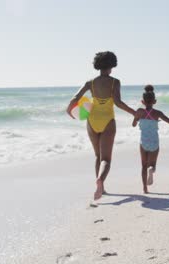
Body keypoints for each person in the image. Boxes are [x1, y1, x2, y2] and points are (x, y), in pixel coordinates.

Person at [66, 51, 135, 200]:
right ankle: (101, 180)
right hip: (108, 120)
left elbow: (74, 99)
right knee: (106, 159)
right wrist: (134, 113)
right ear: (112, 64)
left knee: (98, 156)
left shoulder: (90, 83)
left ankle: (101, 188)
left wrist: (69, 111)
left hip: (92, 120)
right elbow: (118, 102)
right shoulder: (114, 82)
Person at [132, 85, 169, 194]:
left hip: (143, 142)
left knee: (143, 165)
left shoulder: (140, 111)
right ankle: (152, 169)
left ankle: (145, 188)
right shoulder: (157, 113)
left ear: (142, 101)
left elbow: (134, 124)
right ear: (155, 101)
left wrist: (137, 119)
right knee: (152, 164)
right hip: (154, 142)